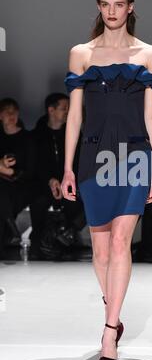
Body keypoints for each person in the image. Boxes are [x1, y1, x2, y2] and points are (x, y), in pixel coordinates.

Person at [61, 0, 152, 360]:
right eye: (105, 4)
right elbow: (74, 116)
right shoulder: (81, 53)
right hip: (92, 157)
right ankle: (115, 315)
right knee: (100, 249)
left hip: (135, 154)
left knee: (121, 243)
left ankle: (108, 333)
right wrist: (68, 168)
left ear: (131, 7)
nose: (112, 11)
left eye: (119, 4)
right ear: (99, 6)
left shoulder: (149, 54)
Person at [29, 93, 86, 260]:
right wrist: (51, 181)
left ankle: (69, 235)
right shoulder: (36, 136)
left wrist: (66, 182)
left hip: (70, 183)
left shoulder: (75, 134)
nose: (68, 111)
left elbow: (78, 162)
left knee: (87, 199)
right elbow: (35, 166)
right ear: (51, 110)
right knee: (38, 200)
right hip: (44, 184)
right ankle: (38, 242)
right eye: (64, 108)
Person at [0, 98, 35, 258]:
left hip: (22, 186)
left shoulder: (27, 139)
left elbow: (31, 171)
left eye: (14, 111)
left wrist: (10, 172)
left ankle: (12, 232)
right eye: (7, 111)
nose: (11, 114)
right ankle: (11, 230)